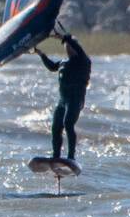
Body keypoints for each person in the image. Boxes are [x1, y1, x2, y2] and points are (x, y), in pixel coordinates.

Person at [37, 32, 91, 162]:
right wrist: (41, 54)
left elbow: (76, 47)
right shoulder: (63, 62)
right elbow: (52, 67)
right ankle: (56, 156)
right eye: (66, 47)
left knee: (68, 124)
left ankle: (71, 157)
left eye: (70, 46)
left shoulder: (83, 61)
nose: (68, 49)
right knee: (56, 128)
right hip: (63, 101)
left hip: (75, 100)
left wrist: (64, 38)